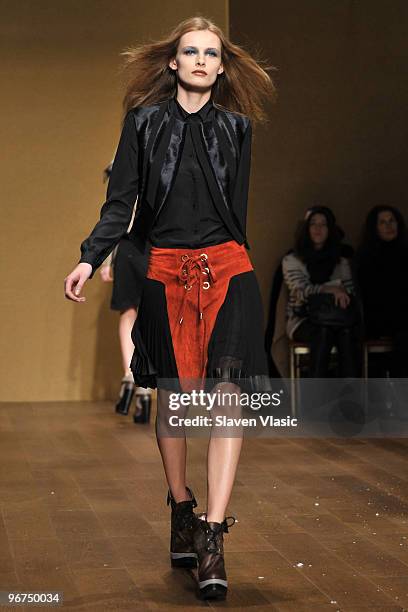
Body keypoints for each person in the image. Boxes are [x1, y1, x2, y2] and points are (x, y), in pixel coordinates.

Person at [64, 16, 274, 601]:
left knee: (228, 394)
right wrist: (91, 257)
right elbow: (122, 201)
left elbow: (237, 210)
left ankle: (212, 534)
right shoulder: (144, 123)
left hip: (229, 268)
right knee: (178, 399)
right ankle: (181, 504)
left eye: (212, 53)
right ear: (173, 63)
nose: (202, 60)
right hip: (164, 271)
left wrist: (231, 263)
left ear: (222, 66)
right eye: (191, 52)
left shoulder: (238, 127)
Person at [99, 161, 152, 421]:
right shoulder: (168, 149)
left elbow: (115, 213)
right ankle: (143, 383)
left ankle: (132, 376)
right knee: (153, 316)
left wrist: (106, 260)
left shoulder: (123, 162)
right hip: (156, 245)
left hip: (128, 247)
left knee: (128, 312)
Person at [282, 206, 359, 378]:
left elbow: (349, 292)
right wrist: (330, 289)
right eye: (313, 224)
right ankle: (316, 398)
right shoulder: (293, 259)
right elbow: (300, 291)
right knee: (323, 332)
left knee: (347, 333)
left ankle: (350, 399)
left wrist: (337, 292)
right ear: (306, 228)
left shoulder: (341, 261)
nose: (318, 229)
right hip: (302, 318)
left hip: (338, 318)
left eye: (323, 224)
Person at [355, 205, 408, 377]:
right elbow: (372, 294)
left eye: (392, 221)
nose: (389, 226)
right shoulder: (366, 256)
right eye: (383, 222)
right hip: (379, 318)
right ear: (374, 227)